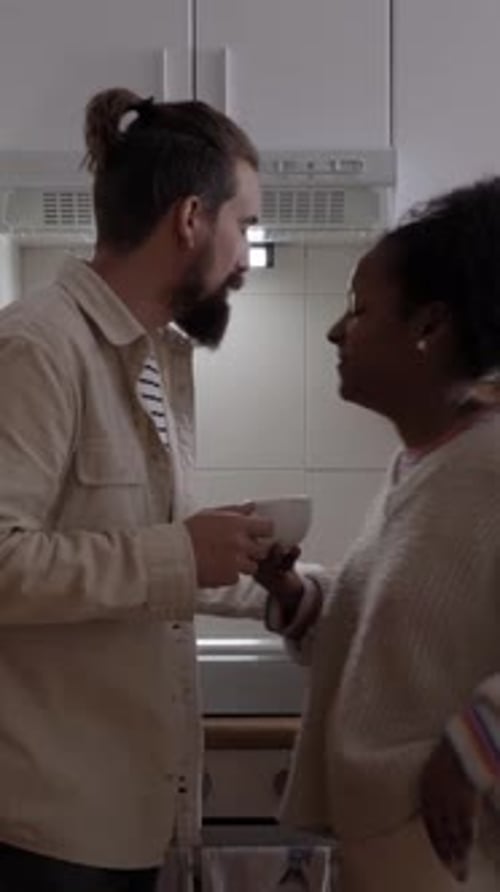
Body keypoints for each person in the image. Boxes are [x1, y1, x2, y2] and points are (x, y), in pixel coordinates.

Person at [0, 87, 276, 891]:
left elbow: (139, 549)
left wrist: (271, 583)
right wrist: (179, 553)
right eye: (245, 226)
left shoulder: (151, 357)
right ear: (192, 218)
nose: (245, 263)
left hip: (119, 818)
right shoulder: (37, 350)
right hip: (43, 827)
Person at [258, 178, 500, 891]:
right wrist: (299, 596)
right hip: (390, 852)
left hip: (456, 855)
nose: (338, 331)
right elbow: (404, 636)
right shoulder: (423, 465)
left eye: (360, 310)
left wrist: (474, 745)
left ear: (430, 327)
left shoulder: (489, 467)